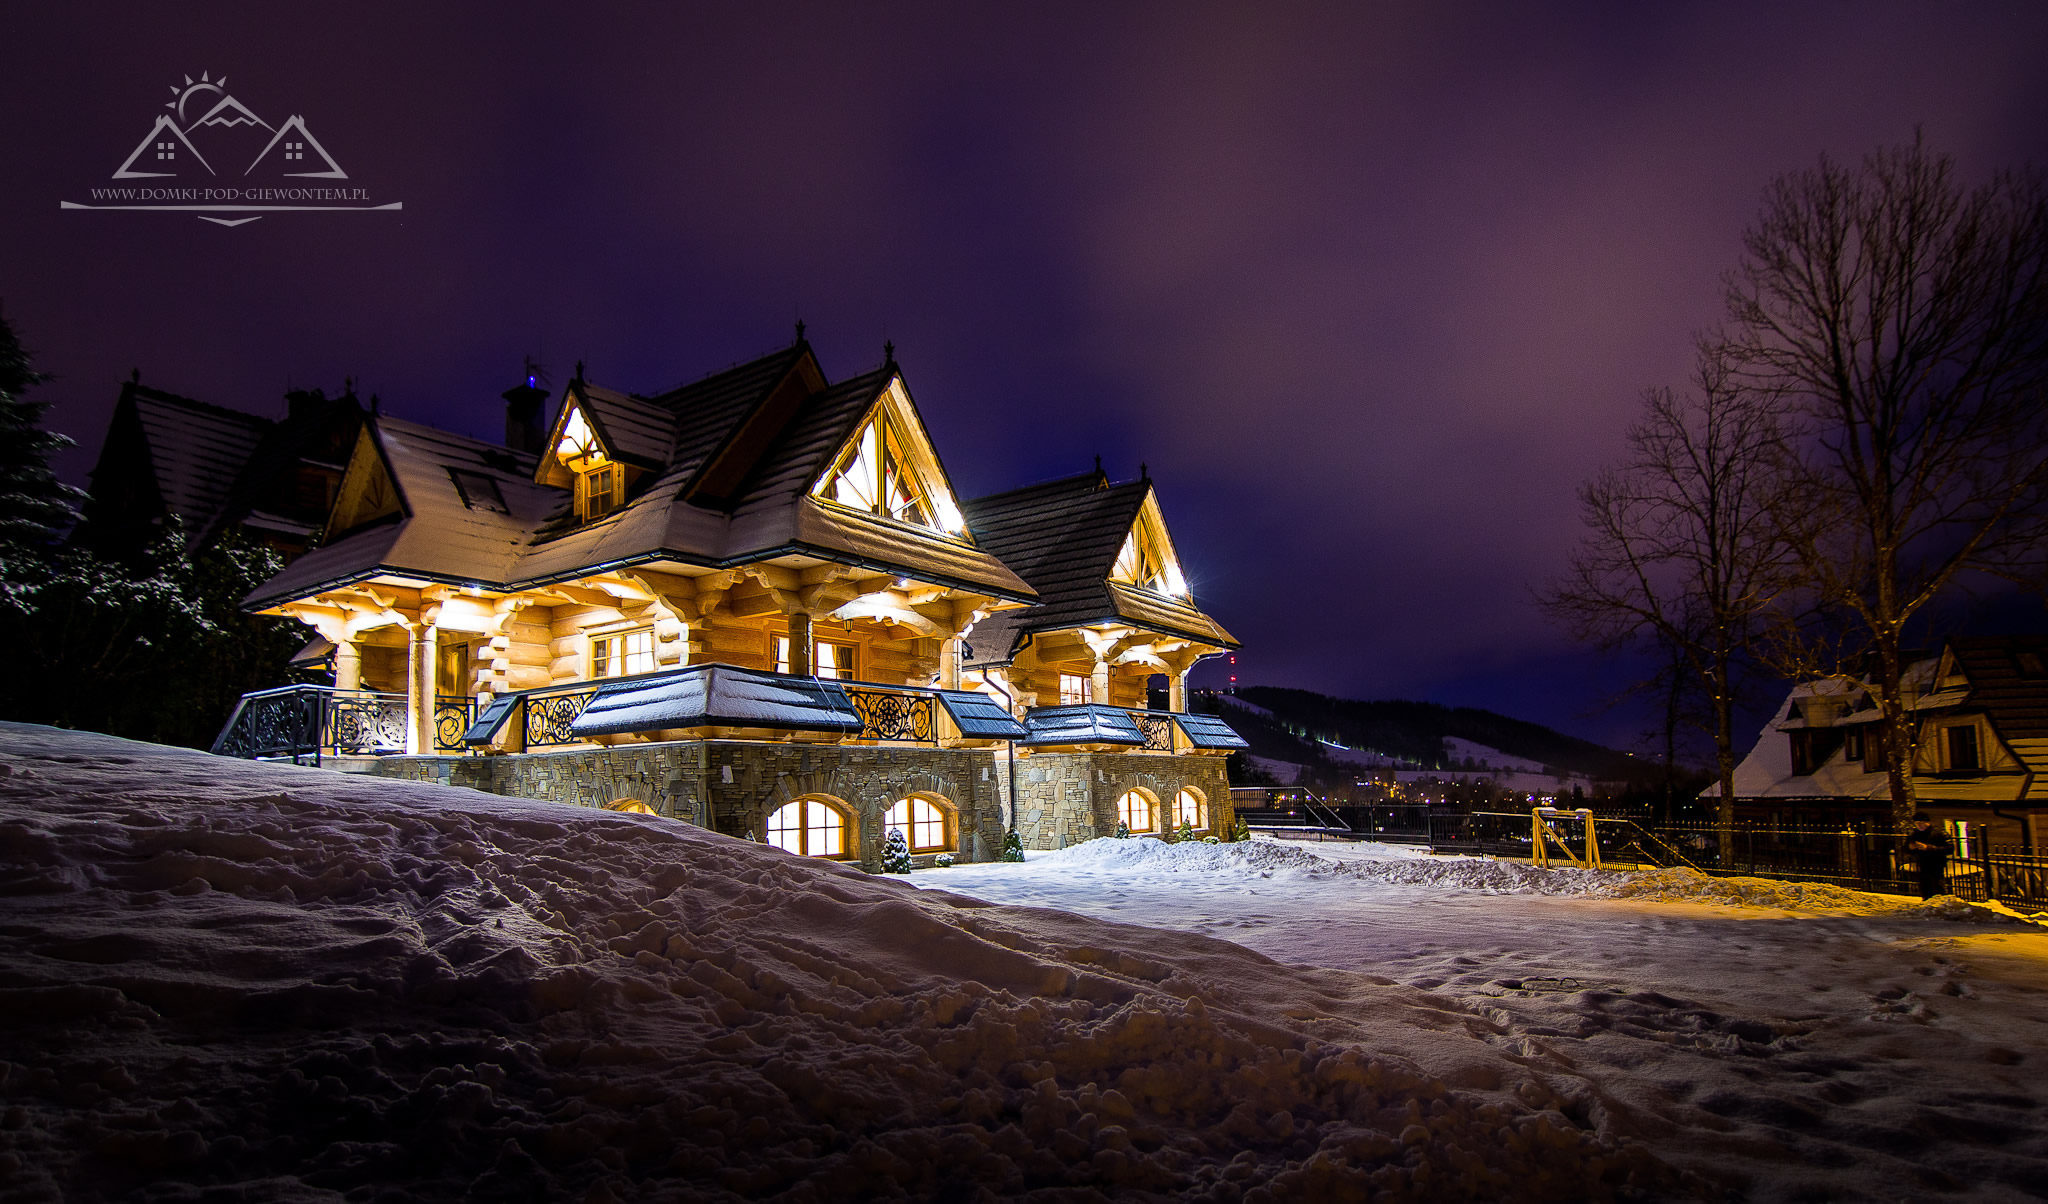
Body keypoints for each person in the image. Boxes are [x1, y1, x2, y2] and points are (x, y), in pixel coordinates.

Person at [1903, 813, 1950, 900]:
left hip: (1936, 863)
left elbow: (1949, 849)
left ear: (1928, 822)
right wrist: (1910, 848)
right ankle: (1927, 903)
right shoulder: (1915, 834)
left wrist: (1929, 848)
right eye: (1917, 823)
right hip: (1921, 863)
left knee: (1937, 886)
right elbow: (1906, 847)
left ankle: (1940, 904)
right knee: (1925, 887)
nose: (1919, 825)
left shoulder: (1939, 833)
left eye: (1921, 823)